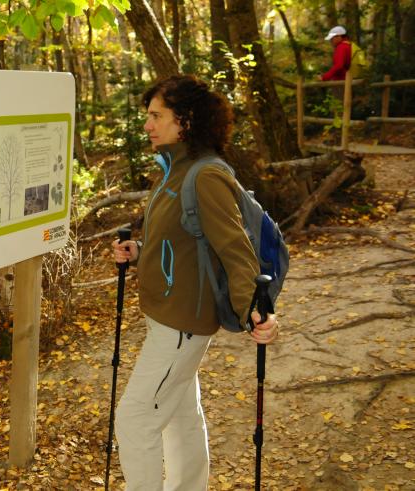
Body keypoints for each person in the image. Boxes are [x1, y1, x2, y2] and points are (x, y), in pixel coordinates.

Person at [110, 75, 279, 490]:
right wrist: (140, 250)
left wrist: (255, 309)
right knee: (180, 417)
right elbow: (180, 238)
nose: (147, 125)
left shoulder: (205, 176)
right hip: (166, 318)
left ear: (185, 120)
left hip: (182, 326)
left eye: (156, 116)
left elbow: (236, 251)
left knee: (135, 419)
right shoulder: (173, 168)